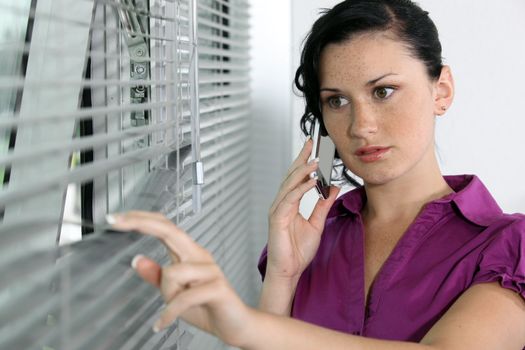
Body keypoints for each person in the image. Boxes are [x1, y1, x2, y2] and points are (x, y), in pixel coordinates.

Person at [108, 0, 525, 348]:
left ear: (442, 90)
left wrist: (247, 325)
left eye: (383, 91)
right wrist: (283, 277)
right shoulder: (310, 244)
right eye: (337, 101)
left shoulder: (508, 246)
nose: (361, 126)